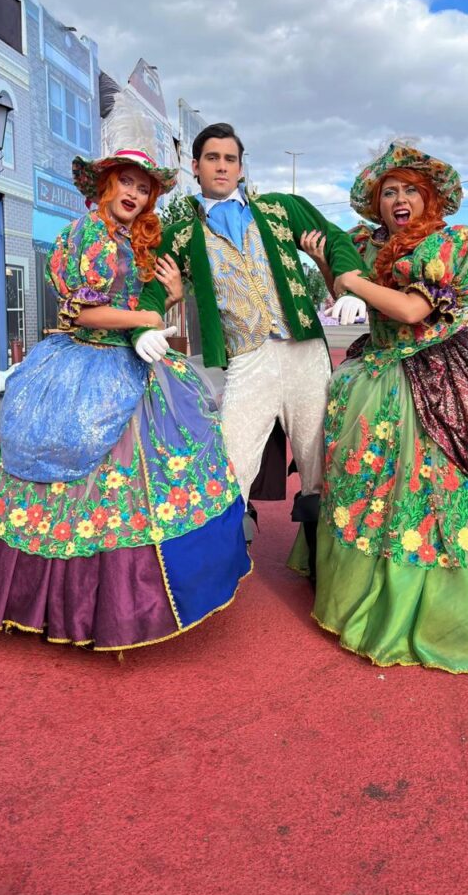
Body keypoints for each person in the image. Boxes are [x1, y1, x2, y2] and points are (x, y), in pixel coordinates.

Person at [0, 148, 250, 652]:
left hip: (136, 360)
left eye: (143, 189)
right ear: (105, 185)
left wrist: (167, 296)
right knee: (75, 472)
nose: (134, 195)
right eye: (126, 182)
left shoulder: (134, 239)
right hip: (84, 364)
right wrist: (147, 319)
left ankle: (135, 599)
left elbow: (139, 305)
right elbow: (82, 312)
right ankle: (59, 602)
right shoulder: (89, 233)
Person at [295, 142, 468, 676]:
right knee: (374, 487)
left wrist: (352, 280)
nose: (399, 199)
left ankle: (458, 610)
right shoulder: (363, 244)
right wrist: (327, 266)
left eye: (411, 189)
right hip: (375, 374)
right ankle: (369, 590)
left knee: (442, 486)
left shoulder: (451, 244)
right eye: (390, 191)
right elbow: (355, 301)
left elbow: (413, 310)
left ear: (430, 197)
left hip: (444, 371)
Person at [132, 122, 364, 575]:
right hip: (247, 359)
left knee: (318, 460)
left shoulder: (280, 209)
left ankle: (325, 570)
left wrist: (350, 285)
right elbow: (154, 288)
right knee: (230, 461)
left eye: (230, 159)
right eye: (212, 158)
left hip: (303, 352)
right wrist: (145, 325)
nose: (222, 166)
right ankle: (221, 571)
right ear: (195, 166)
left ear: (241, 167)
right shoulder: (180, 234)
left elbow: (336, 238)